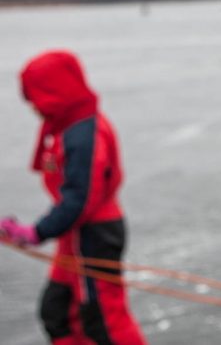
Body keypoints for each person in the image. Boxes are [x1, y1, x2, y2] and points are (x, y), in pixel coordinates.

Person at [2, 50, 146, 345]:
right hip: (77, 234)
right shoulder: (68, 125)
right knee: (56, 313)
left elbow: (80, 198)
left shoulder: (83, 134)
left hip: (95, 234)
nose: (34, 109)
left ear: (54, 93)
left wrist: (37, 232)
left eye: (37, 99)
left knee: (103, 321)